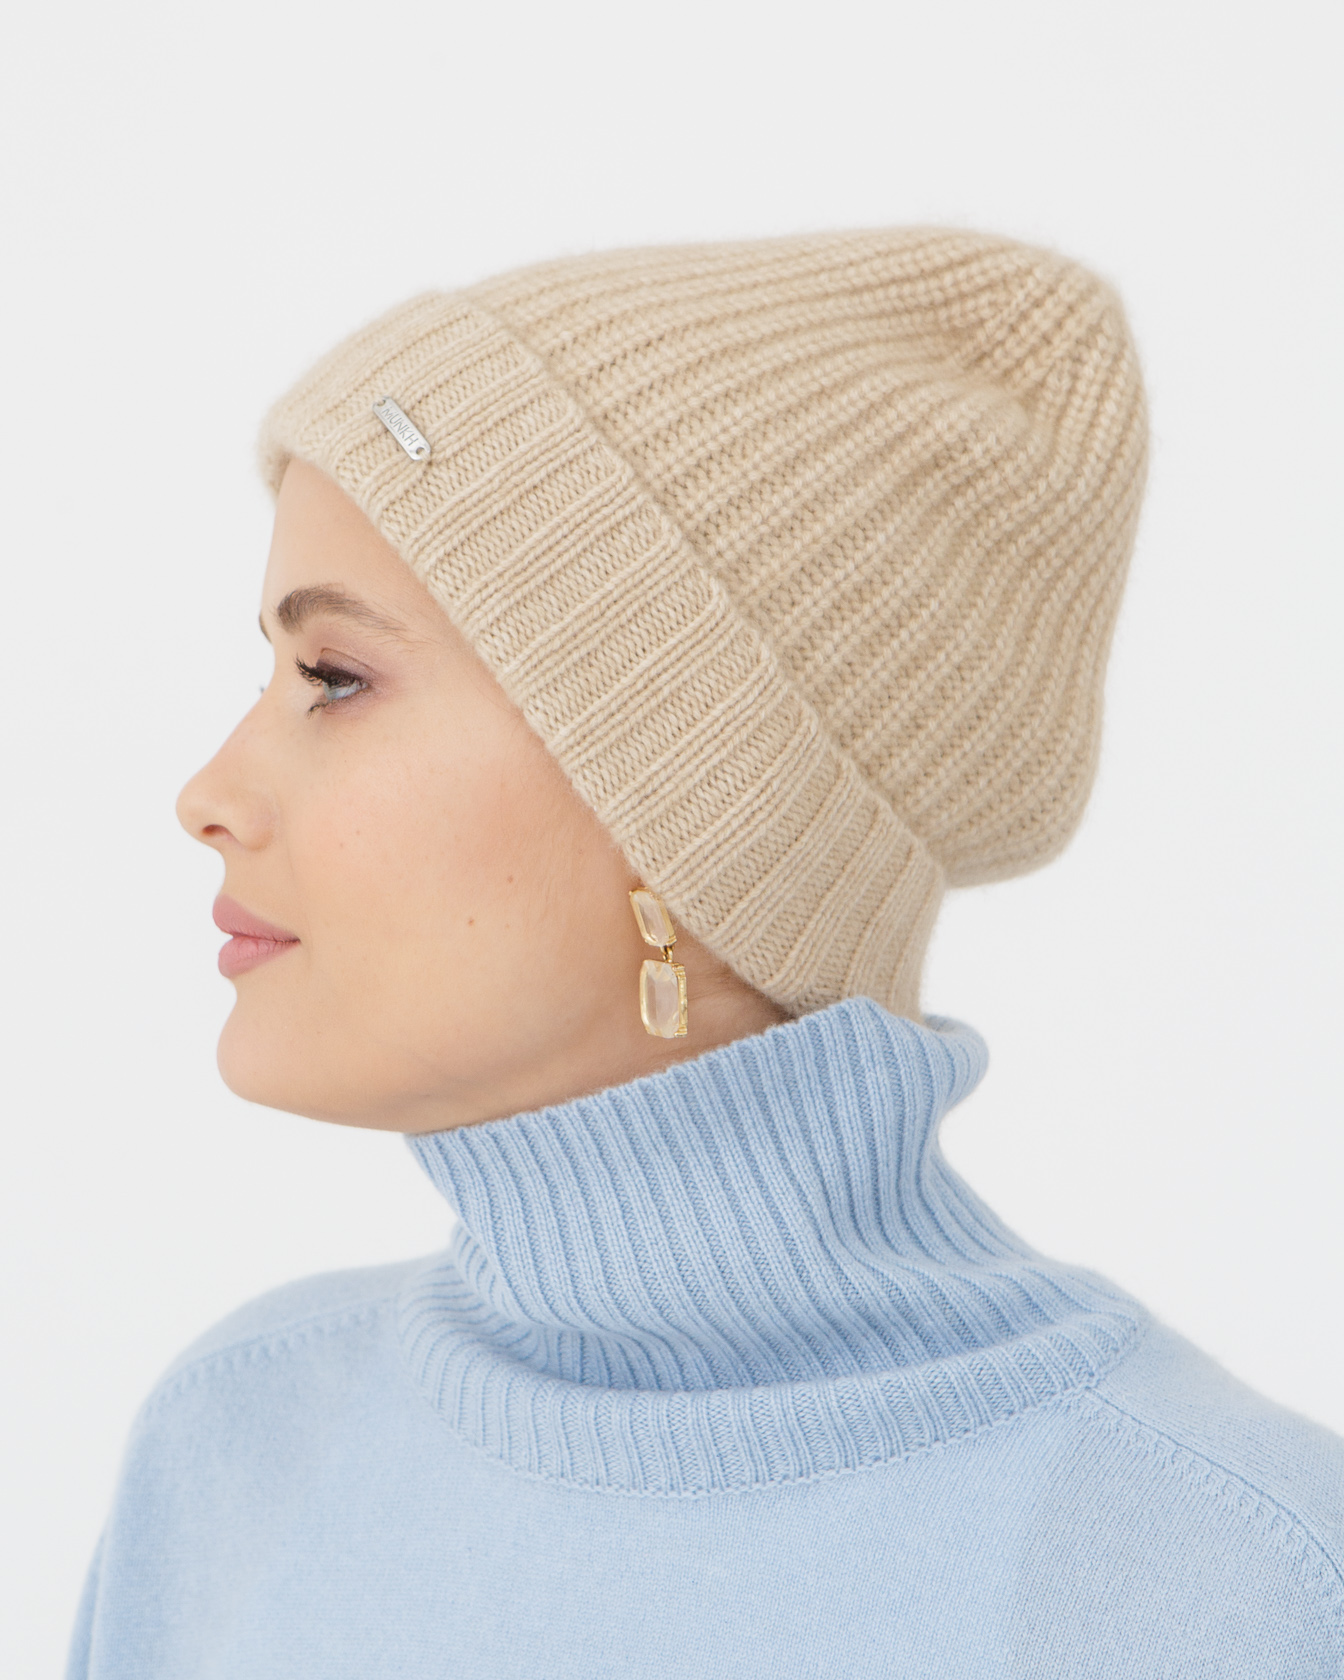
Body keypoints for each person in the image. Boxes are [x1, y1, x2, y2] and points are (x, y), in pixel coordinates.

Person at [67, 229, 1344, 1678]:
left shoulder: (1235, 1583)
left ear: (679, 807)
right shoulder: (231, 1457)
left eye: (335, 678)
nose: (210, 794)